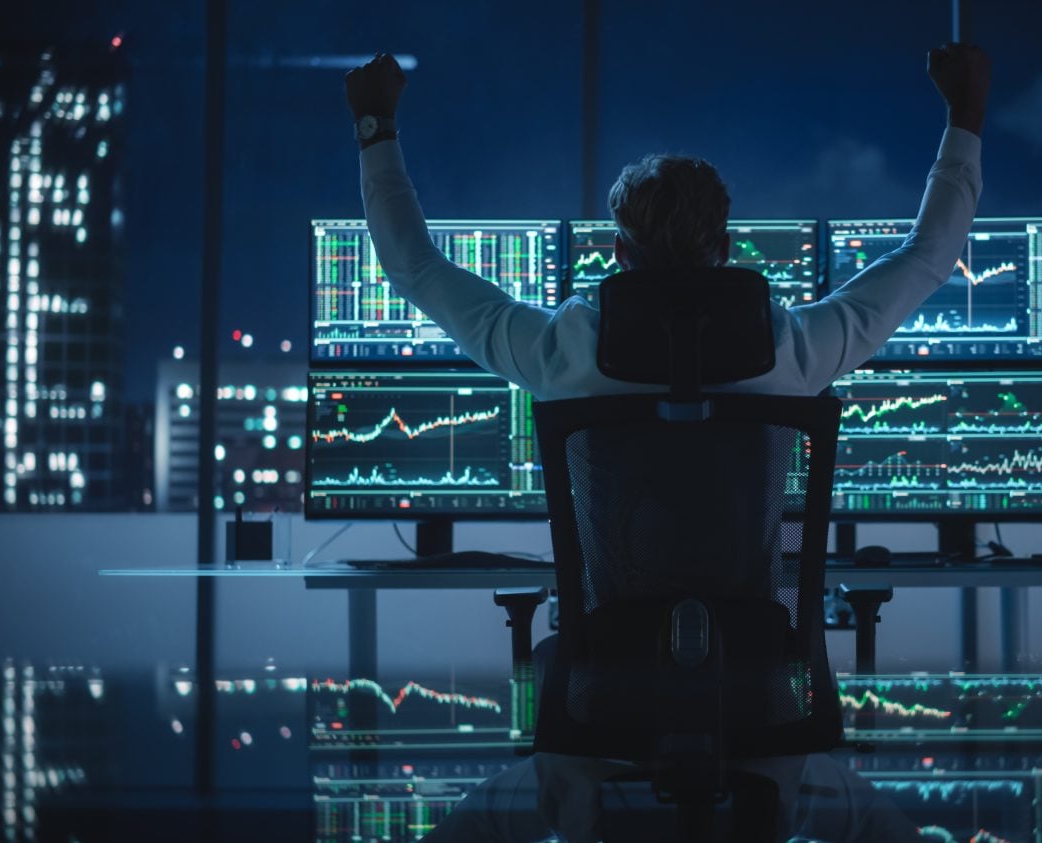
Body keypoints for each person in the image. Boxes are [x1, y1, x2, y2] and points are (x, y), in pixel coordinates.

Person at [345, 43, 990, 842]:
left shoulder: (564, 352)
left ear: (618, 252)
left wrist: (376, 127)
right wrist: (965, 115)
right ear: (727, 247)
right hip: (763, 682)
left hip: (600, 683)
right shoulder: (791, 351)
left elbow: (413, 267)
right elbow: (928, 257)